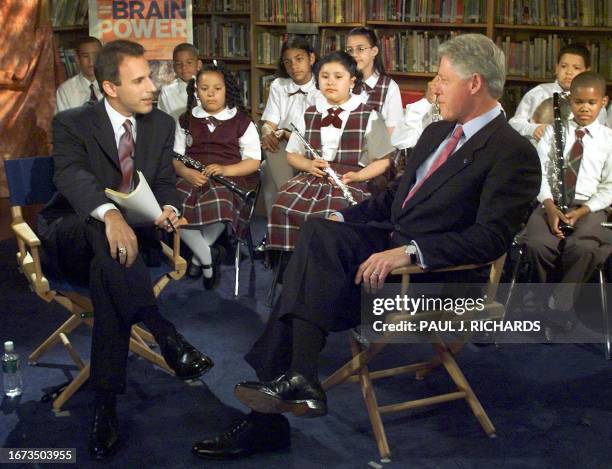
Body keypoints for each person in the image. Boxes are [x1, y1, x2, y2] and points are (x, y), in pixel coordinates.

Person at [191, 34, 541, 460]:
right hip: (387, 249)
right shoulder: (435, 133)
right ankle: (299, 376)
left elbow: (490, 239)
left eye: (443, 78)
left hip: (432, 277)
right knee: (319, 231)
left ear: (474, 83)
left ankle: (275, 408)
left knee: (303, 285)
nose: (433, 86)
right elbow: (393, 200)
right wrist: (344, 217)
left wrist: (411, 253)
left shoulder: (514, 152)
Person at [38, 40, 213, 460]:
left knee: (112, 271)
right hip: (76, 236)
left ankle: (105, 404)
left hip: (129, 247)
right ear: (110, 88)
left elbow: (165, 184)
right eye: (140, 80)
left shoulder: (159, 126)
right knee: (105, 233)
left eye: (150, 76)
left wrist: (169, 208)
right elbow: (72, 176)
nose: (152, 86)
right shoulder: (72, 122)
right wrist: (110, 215)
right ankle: (163, 332)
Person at [266, 51, 396, 252]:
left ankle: (330, 264)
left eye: (338, 77)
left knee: (333, 214)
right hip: (313, 179)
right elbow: (292, 154)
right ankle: (291, 264)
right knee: (282, 205)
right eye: (324, 77)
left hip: (351, 180)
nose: (330, 82)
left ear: (352, 81)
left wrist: (359, 175)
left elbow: (385, 161)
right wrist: (308, 165)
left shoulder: (368, 115)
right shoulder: (309, 113)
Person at [523, 71, 612, 322]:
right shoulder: (554, 132)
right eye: (578, 102)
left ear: (603, 102)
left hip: (589, 208)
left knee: (584, 246)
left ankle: (557, 308)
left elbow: (609, 187)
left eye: (591, 103)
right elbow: (539, 172)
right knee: (537, 244)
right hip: (551, 203)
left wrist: (583, 210)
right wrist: (550, 207)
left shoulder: (608, 140)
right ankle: (546, 303)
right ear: (570, 101)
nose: (584, 108)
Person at [173, 62, 261, 289]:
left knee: (221, 202)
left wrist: (226, 170)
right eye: (204, 88)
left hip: (231, 176)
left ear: (227, 90)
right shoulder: (185, 119)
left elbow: (253, 161)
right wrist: (185, 172)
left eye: (217, 88)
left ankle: (198, 258)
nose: (210, 94)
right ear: (196, 91)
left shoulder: (242, 120)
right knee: (173, 206)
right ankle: (206, 258)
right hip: (192, 175)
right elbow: (176, 157)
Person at [260, 37, 318, 224]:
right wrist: (267, 132)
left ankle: (284, 216)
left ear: (312, 59)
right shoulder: (279, 85)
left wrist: (287, 134)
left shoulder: (323, 84)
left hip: (312, 147)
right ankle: (286, 214)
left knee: (268, 173)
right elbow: (270, 122)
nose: (294, 66)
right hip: (284, 145)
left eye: (299, 59)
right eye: (288, 61)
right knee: (270, 149)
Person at [508, 44, 607, 145]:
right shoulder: (538, 93)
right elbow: (514, 124)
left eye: (576, 68)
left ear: (586, 71)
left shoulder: (595, 103)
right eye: (564, 66)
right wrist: (533, 129)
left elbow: (601, 136)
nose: (569, 72)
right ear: (556, 68)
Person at [346, 27, 403, 134]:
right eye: (350, 50)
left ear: (374, 51)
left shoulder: (389, 87)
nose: (354, 54)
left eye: (360, 49)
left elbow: (393, 133)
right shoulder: (343, 82)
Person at [391, 76, 440, 150]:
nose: (432, 85)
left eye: (445, 80)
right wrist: (427, 101)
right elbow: (401, 142)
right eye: (438, 79)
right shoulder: (432, 109)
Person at [55, 37, 103, 112]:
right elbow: (62, 122)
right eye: (85, 56)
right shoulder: (65, 90)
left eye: (95, 56)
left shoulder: (113, 86)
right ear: (77, 59)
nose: (91, 61)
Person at [157, 43, 202, 121]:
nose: (184, 67)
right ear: (174, 67)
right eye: (178, 64)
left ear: (198, 65)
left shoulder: (210, 88)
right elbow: (162, 122)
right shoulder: (166, 93)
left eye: (189, 63)